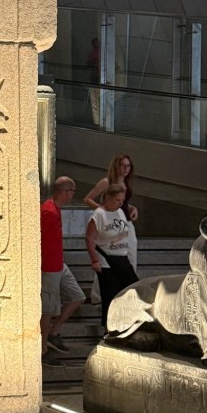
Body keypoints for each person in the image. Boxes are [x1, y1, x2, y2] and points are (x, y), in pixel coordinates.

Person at [40, 176, 86, 365]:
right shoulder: (48, 211)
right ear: (67, 192)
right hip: (48, 268)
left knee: (77, 296)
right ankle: (42, 351)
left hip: (59, 264)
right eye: (72, 191)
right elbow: (37, 238)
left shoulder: (55, 209)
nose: (72, 195)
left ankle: (53, 332)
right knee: (47, 311)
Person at [86, 183, 139, 330]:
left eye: (122, 200)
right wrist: (94, 260)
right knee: (110, 295)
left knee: (132, 289)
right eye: (117, 200)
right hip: (106, 259)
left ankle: (125, 323)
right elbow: (89, 238)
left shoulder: (120, 211)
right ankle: (108, 329)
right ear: (108, 198)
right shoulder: (99, 215)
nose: (120, 203)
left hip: (121, 257)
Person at [83, 152, 139, 273]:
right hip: (111, 224)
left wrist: (132, 208)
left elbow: (123, 203)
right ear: (116, 166)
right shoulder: (106, 182)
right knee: (110, 256)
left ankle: (129, 282)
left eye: (128, 166)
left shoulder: (127, 183)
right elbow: (88, 199)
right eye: (123, 165)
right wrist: (104, 211)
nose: (125, 169)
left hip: (126, 221)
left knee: (131, 254)